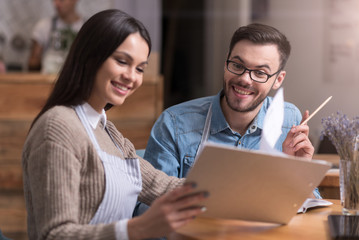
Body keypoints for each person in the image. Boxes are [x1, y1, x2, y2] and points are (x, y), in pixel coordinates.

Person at [22, 9, 208, 240]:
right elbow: (53, 234)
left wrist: (235, 189)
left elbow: (163, 186)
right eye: (122, 61)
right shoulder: (57, 127)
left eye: (140, 68)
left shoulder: (109, 133)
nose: (132, 76)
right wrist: (138, 228)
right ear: (90, 56)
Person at [135, 23, 319, 218]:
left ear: (278, 80)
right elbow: (148, 211)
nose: (245, 79)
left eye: (260, 73)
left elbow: (308, 209)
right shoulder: (173, 123)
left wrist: (299, 171)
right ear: (226, 65)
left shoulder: (289, 120)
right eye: (238, 66)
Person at [28, 0, 85, 72]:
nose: (56, 4)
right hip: (49, 80)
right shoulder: (44, 26)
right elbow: (34, 61)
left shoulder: (88, 27)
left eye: (61, 0)